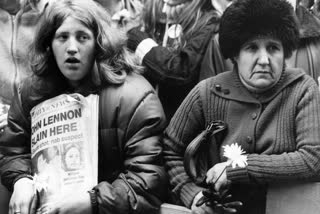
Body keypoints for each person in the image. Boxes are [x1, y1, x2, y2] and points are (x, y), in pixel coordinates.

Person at [0, 1, 167, 214]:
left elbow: (148, 181)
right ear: (49, 44)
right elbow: (13, 150)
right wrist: (20, 180)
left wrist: (94, 202)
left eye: (82, 37)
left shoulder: (135, 97)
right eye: (62, 37)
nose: (72, 48)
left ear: (99, 44)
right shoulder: (32, 91)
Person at [163, 0, 320, 213]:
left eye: (273, 48)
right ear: (235, 54)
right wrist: (191, 194)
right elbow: (170, 149)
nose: (264, 59)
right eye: (252, 47)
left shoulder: (303, 90)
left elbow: (313, 158)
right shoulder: (207, 92)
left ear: (285, 52)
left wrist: (237, 168)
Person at [126, 0, 221, 119]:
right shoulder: (151, 11)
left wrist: (141, 43)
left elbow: (182, 71)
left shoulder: (208, 20)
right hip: (144, 118)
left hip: (182, 123)